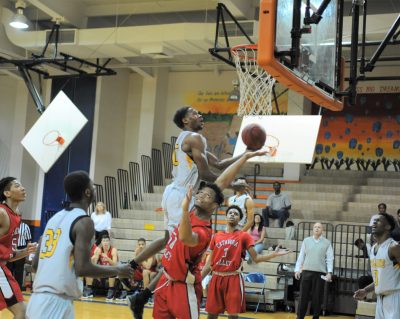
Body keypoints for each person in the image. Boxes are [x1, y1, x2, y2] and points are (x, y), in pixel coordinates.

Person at [129, 150, 266, 319]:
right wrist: (245, 157)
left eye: (207, 195)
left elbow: (186, 237)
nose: (201, 195)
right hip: (165, 281)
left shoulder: (204, 232)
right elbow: (221, 181)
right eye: (200, 193)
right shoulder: (195, 211)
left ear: (215, 206)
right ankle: (140, 298)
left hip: (183, 287)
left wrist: (185, 210)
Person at [26, 171, 133, 319]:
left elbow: (35, 265)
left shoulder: (54, 218)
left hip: (41, 299)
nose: (94, 190)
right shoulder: (84, 221)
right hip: (54, 303)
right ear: (87, 192)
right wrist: (117, 269)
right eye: (92, 186)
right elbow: (83, 268)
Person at [202, 205, 289, 318]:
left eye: (236, 214)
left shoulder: (244, 236)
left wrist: (273, 254)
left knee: (233, 315)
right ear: (226, 216)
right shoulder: (216, 236)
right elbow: (209, 263)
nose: (232, 214)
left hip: (233, 278)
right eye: (230, 213)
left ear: (240, 220)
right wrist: (198, 279)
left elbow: (256, 258)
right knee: (211, 314)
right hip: (216, 277)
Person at [0, 177, 37, 319]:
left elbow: (7, 255)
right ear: (7, 193)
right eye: (17, 186)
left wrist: (25, 252)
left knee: (24, 313)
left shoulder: (15, 215)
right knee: (22, 312)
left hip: (2, 267)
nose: (23, 188)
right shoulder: (2, 213)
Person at [354, 212, 400, 319]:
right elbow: (381, 279)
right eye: (374, 221)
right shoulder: (374, 248)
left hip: (395, 298)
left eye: (378, 220)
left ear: (388, 226)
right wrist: (366, 290)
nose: (374, 222)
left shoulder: (393, 247)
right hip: (380, 300)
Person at [294, 222, 334, 319]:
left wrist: (329, 272)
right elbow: (301, 256)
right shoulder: (306, 241)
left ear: (322, 230)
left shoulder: (327, 243)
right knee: (303, 296)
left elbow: (330, 258)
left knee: (317, 297)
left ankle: (316, 317)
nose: (317, 228)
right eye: (315, 227)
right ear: (313, 229)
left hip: (320, 273)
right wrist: (297, 270)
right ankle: (300, 317)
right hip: (306, 271)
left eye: (319, 227)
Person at [83, 233, 124, 301]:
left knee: (112, 271)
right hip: (103, 270)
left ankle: (111, 290)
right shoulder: (99, 250)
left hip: (113, 269)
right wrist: (93, 260)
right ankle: (89, 289)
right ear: (101, 242)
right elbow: (94, 264)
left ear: (109, 242)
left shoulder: (113, 250)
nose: (105, 242)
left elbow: (115, 265)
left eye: (107, 241)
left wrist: (107, 258)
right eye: (104, 241)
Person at [6, 221, 32, 289]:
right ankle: (9, 288)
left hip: (21, 248)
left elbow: (29, 240)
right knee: (9, 270)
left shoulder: (25, 226)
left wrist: (28, 254)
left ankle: (18, 288)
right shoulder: (9, 224)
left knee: (19, 271)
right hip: (10, 248)